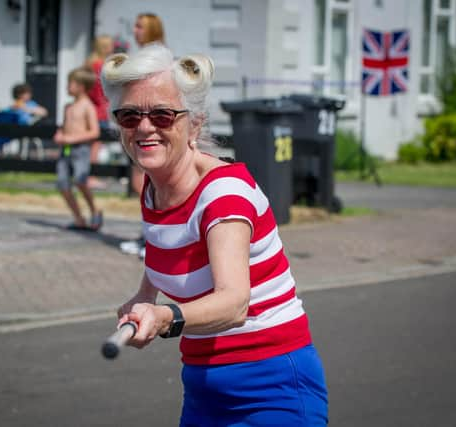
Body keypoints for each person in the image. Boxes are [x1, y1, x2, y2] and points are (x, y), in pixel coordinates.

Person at [101, 45, 328, 426]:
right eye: (129, 116)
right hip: (204, 386)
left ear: (195, 124)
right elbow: (166, 246)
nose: (144, 127)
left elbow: (233, 303)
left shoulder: (223, 194)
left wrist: (163, 317)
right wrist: (143, 297)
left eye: (162, 114)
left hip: (273, 387)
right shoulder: (156, 187)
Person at [119, 12, 166, 258]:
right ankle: (147, 238)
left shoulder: (154, 57)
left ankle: (153, 241)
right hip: (136, 122)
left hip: (147, 125)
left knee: (148, 185)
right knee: (144, 185)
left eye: (140, 26)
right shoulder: (143, 56)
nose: (135, 30)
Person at [53, 68, 103, 231]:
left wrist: (72, 138)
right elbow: (64, 126)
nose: (67, 87)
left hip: (80, 150)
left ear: (81, 86)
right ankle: (78, 218)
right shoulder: (68, 106)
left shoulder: (88, 107)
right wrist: (60, 134)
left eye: (70, 83)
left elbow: (94, 132)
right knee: (62, 183)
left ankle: (95, 211)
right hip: (65, 150)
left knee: (80, 181)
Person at [85, 35, 114, 190]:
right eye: (109, 45)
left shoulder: (89, 63)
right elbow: (99, 91)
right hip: (99, 111)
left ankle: (85, 175)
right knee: (95, 146)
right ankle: (91, 176)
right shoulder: (100, 65)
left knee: (87, 146)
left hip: (88, 109)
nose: (112, 47)